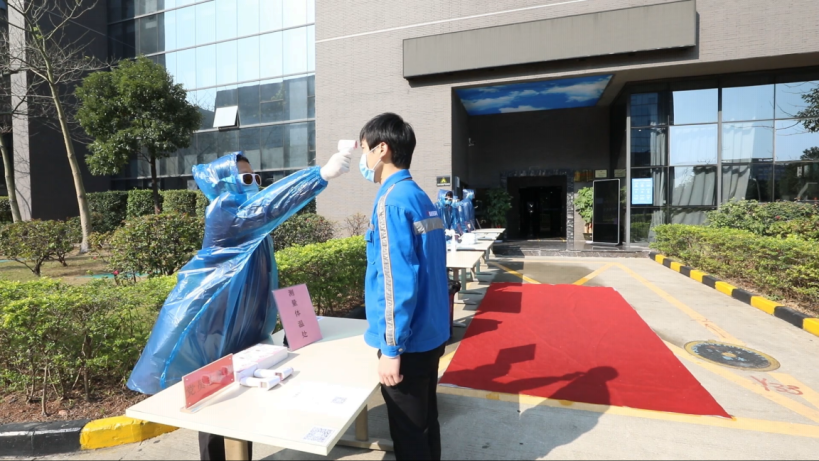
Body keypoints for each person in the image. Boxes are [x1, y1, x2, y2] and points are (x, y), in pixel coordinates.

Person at [126, 149, 352, 460]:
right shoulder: (224, 212)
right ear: (223, 183)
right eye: (246, 179)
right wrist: (318, 176)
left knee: (243, 392)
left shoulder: (250, 217)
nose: (254, 184)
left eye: (255, 178)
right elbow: (268, 208)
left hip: (243, 318)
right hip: (213, 318)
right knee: (214, 394)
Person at [358, 113, 450, 460]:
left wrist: (392, 349)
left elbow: (395, 280)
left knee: (409, 433)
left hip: (408, 341)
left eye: (364, 149)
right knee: (425, 422)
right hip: (431, 332)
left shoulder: (391, 201)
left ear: (382, 149)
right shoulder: (419, 196)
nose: (363, 159)